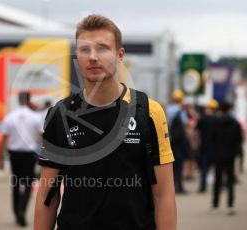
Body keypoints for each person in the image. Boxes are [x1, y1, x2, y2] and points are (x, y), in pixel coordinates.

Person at [35, 14, 176, 230]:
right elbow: (47, 196)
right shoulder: (59, 115)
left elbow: (164, 195)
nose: (93, 57)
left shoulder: (148, 112)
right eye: (84, 49)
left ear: (119, 55)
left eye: (102, 48)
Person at [0, 91, 43, 226]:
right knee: (28, 184)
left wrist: (0, 158)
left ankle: (16, 212)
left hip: (14, 154)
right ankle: (22, 210)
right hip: (29, 154)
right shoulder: (35, 117)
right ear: (29, 100)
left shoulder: (10, 117)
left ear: (18, 100)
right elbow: (42, 136)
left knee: (16, 183)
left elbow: (3, 139)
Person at [211, 102, 242, 215]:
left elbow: (212, 139)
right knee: (230, 180)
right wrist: (238, 154)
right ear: (229, 110)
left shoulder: (215, 123)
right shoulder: (235, 123)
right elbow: (238, 140)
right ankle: (230, 204)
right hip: (230, 155)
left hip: (218, 155)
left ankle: (215, 204)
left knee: (217, 180)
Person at [166, 90, 189, 194]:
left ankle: (172, 186)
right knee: (179, 164)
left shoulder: (168, 109)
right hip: (180, 141)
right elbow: (186, 124)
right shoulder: (181, 110)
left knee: (172, 164)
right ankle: (179, 185)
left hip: (170, 140)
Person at [196, 99, 218, 193]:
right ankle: (218, 185)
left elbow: (196, 130)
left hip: (204, 146)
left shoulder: (203, 118)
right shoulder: (217, 119)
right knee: (215, 167)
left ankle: (203, 186)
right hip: (215, 147)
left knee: (204, 168)